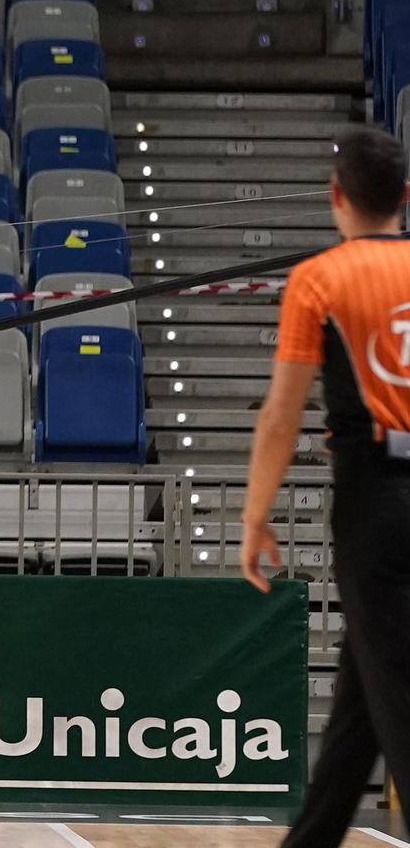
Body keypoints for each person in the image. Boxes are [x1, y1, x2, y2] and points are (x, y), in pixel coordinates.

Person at [241, 126, 410, 846]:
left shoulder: (321, 278)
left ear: (336, 197)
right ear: (404, 197)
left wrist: (254, 515)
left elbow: (282, 414)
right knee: (362, 703)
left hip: (375, 500)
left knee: (398, 703)